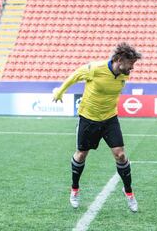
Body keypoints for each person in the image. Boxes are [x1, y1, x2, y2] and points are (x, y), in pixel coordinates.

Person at [52, 42, 142, 212]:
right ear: (120, 60)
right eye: (131, 64)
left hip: (109, 119)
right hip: (88, 118)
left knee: (120, 155)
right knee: (81, 155)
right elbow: (74, 76)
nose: (132, 68)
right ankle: (75, 189)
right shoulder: (95, 68)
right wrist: (60, 91)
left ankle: (129, 192)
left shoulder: (124, 75)